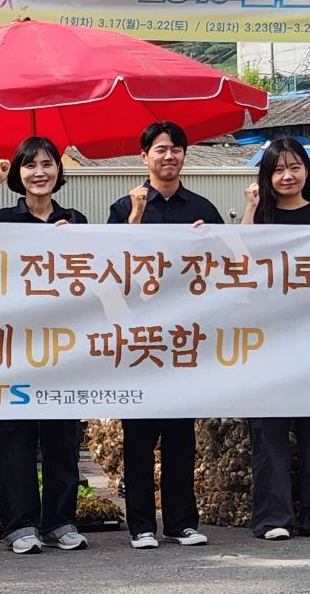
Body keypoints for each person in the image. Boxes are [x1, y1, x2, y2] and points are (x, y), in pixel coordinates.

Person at [107, 121, 219, 550]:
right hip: (139, 339)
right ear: (144, 157)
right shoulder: (123, 208)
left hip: (184, 339)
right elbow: (111, 268)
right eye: (159, 150)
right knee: (138, 438)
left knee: (180, 437)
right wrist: (135, 218)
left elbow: (224, 265)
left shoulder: (202, 209)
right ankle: (140, 526)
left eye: (175, 149)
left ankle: (181, 522)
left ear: (184, 156)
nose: (168, 156)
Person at [0, 138, 89, 555]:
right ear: (18, 174)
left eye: (47, 164)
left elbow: (95, 274)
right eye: (30, 165)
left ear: (59, 171)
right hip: (13, 345)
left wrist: (72, 241)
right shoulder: (4, 217)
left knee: (62, 436)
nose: (39, 172)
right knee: (15, 439)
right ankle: (19, 524)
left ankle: (61, 520)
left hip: (63, 346)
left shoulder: (75, 220)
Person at [241, 138, 310, 541]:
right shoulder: (259, 221)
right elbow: (237, 260)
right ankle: (273, 517)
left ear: (307, 172)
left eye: (295, 167)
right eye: (278, 170)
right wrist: (250, 208)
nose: (287, 176)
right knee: (268, 432)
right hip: (267, 341)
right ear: (266, 177)